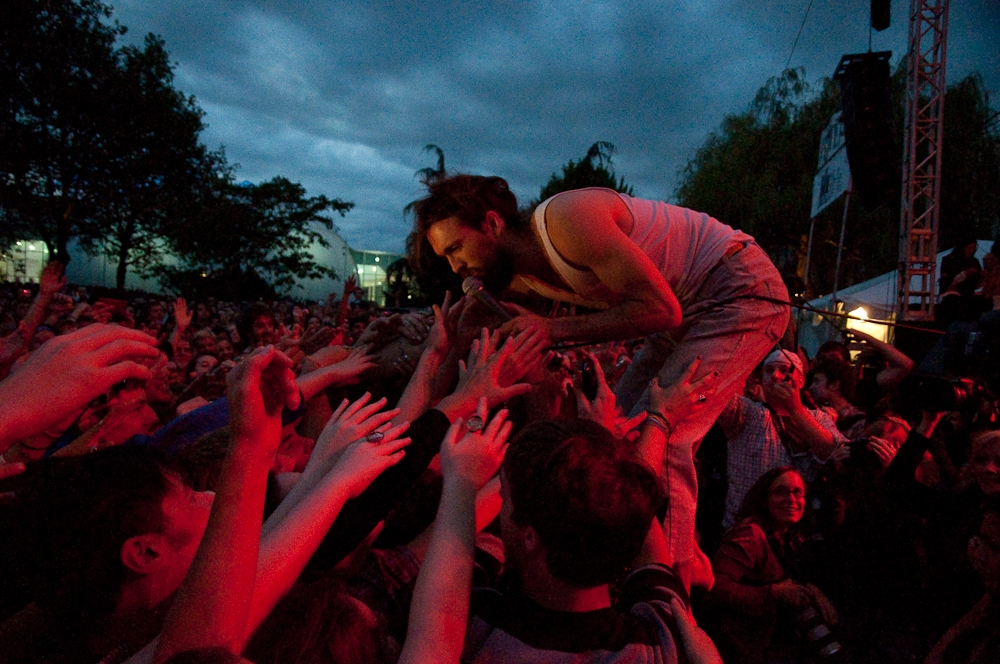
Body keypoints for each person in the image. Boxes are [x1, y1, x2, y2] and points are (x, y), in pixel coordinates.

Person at [410, 174, 789, 575]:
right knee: (612, 438)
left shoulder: (567, 220)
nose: (456, 267)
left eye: (455, 248)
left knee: (663, 435)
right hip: (685, 311)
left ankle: (675, 589)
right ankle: (674, 561)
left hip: (737, 289)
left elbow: (662, 311)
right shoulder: (520, 273)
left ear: (491, 223)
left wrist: (551, 328)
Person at [708, 467, 841, 664]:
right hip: (742, 647)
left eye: (798, 492)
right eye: (781, 492)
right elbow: (715, 588)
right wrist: (774, 593)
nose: (791, 499)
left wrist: (813, 590)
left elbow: (787, 576)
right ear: (764, 499)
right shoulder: (750, 535)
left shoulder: (790, 536)